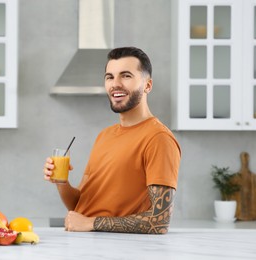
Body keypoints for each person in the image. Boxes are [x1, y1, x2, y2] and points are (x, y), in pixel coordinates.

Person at [43, 47, 181, 234]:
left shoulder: (158, 139)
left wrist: (91, 223)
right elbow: (79, 204)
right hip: (81, 243)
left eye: (125, 76)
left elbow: (159, 222)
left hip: (114, 247)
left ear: (147, 85)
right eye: (109, 77)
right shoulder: (104, 135)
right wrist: (61, 182)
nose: (115, 84)